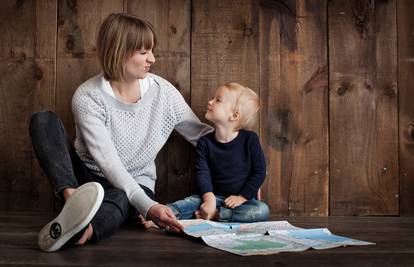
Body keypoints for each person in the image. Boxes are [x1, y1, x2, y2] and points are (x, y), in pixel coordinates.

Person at [29, 13, 213, 252]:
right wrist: (150, 208)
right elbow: (109, 163)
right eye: (143, 52)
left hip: (135, 185)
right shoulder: (88, 97)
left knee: (119, 197)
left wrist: (246, 162)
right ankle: (73, 201)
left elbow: (202, 136)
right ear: (120, 51)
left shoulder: (163, 93)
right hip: (86, 179)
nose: (152, 59)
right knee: (43, 120)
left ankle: (83, 230)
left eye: (151, 51)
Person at [150, 82, 269, 224]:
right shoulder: (205, 143)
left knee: (262, 210)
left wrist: (242, 197)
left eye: (217, 100)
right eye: (213, 98)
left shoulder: (250, 140)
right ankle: (157, 216)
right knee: (189, 202)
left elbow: (259, 172)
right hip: (213, 197)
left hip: (241, 202)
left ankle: (216, 215)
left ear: (234, 115)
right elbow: (203, 173)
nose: (210, 102)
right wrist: (209, 198)